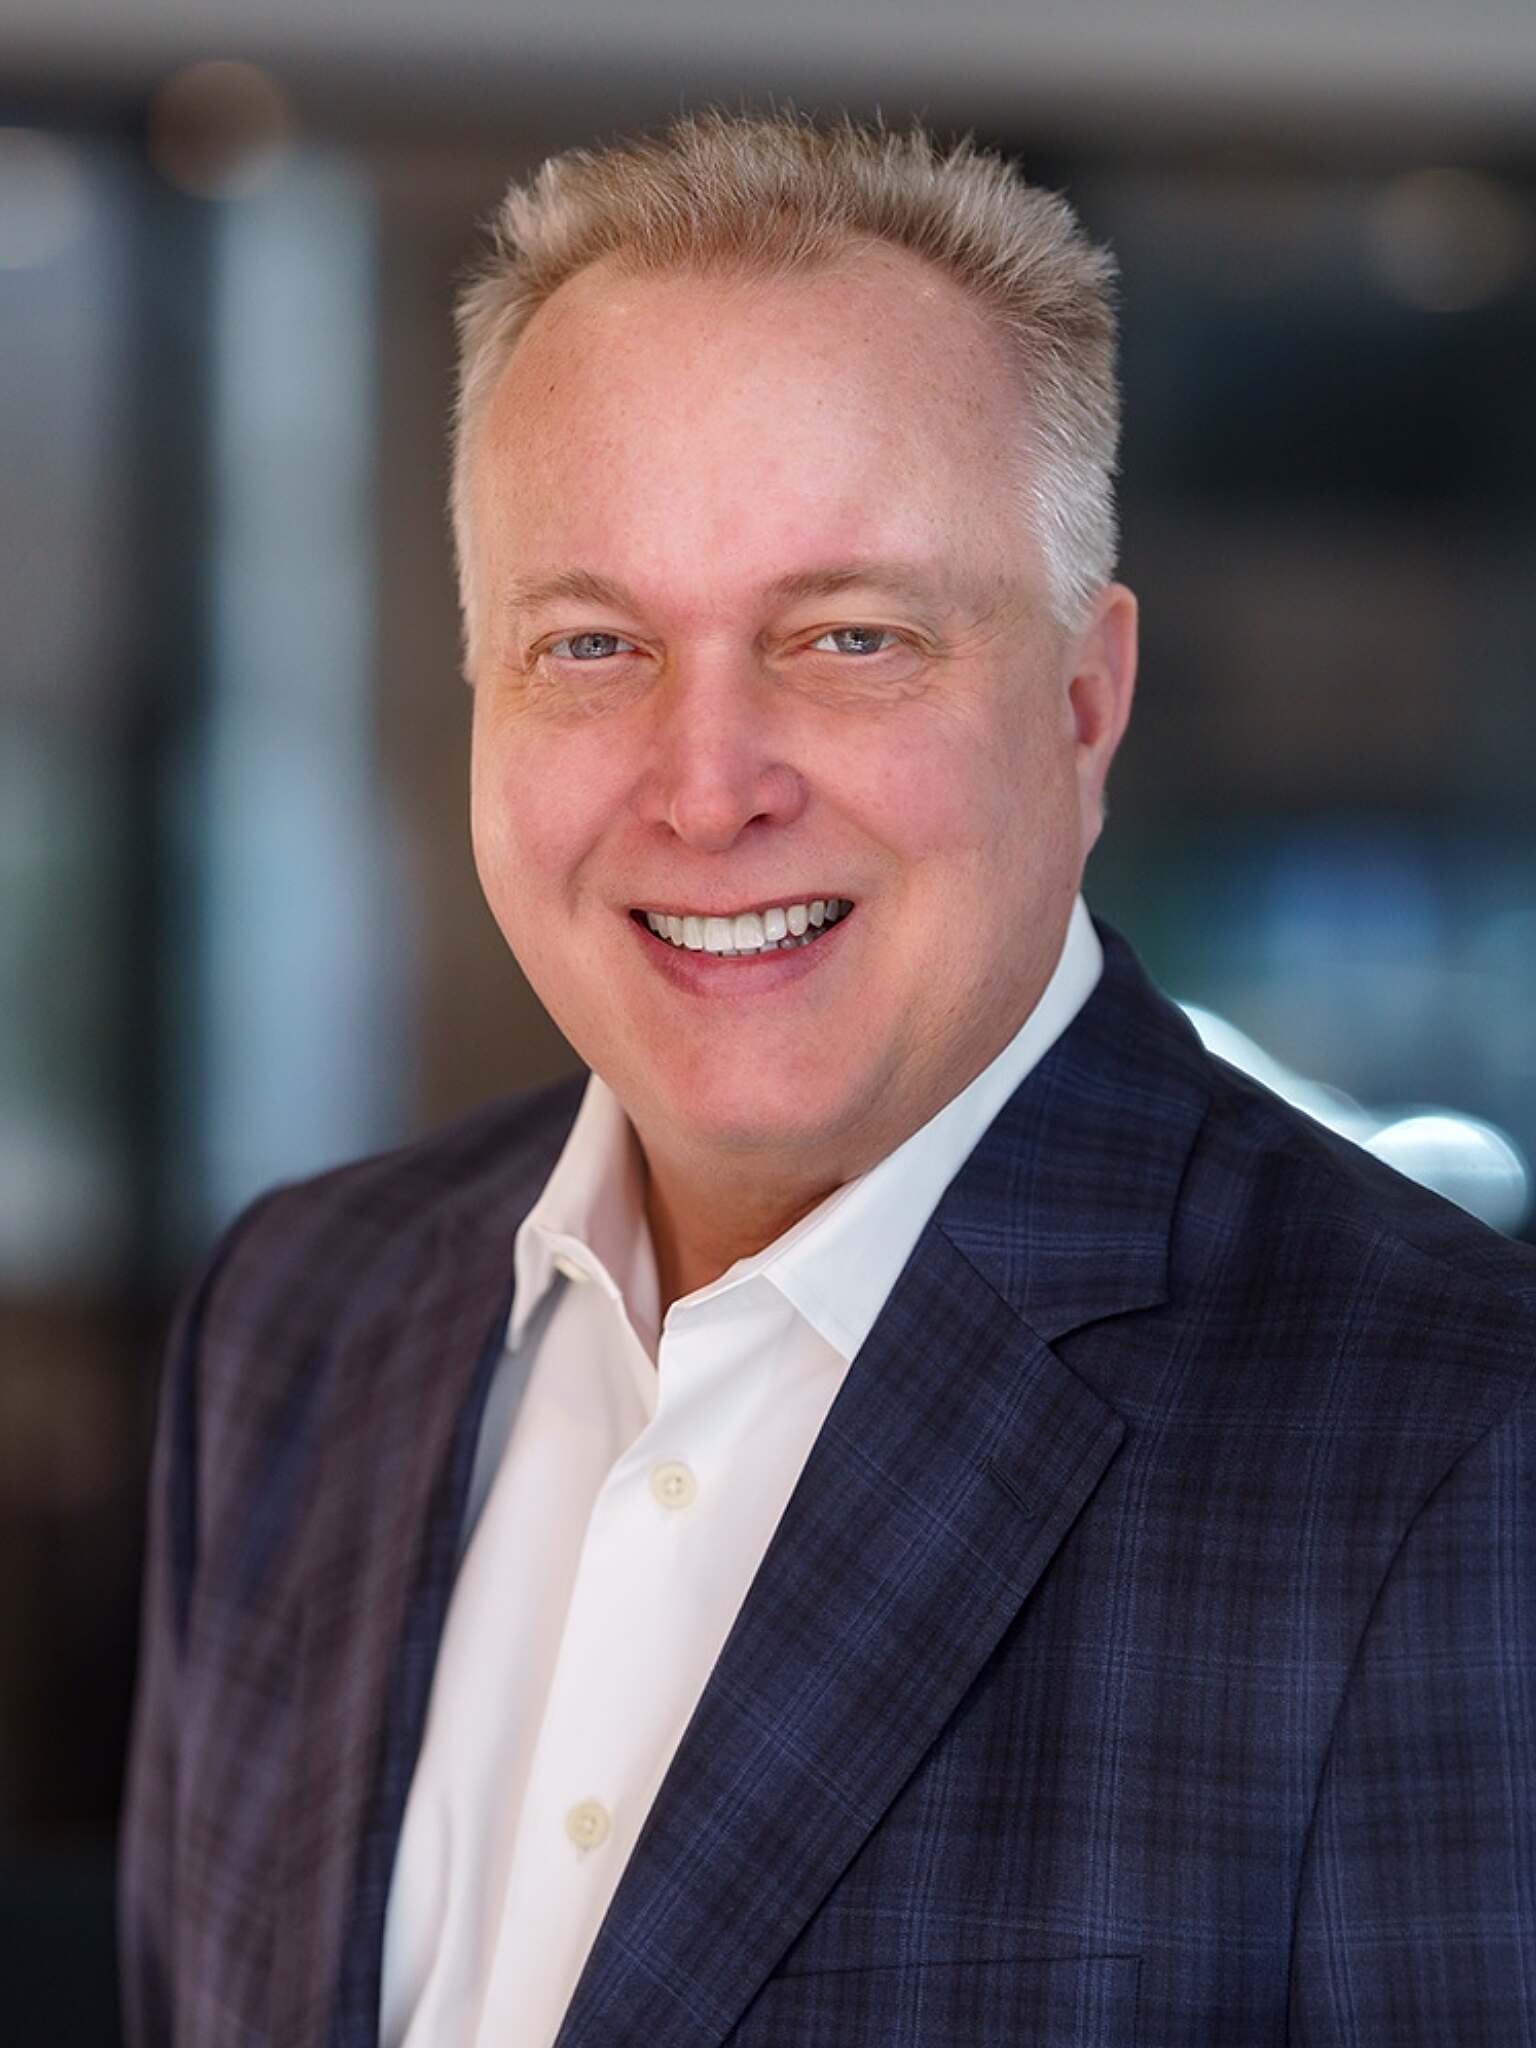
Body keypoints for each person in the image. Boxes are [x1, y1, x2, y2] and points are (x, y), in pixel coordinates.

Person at [120, 110, 1536, 2048]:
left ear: (1083, 703)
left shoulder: (1460, 1447)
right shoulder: (296, 1320)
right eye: (594, 640)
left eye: (851, 636)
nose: (708, 784)